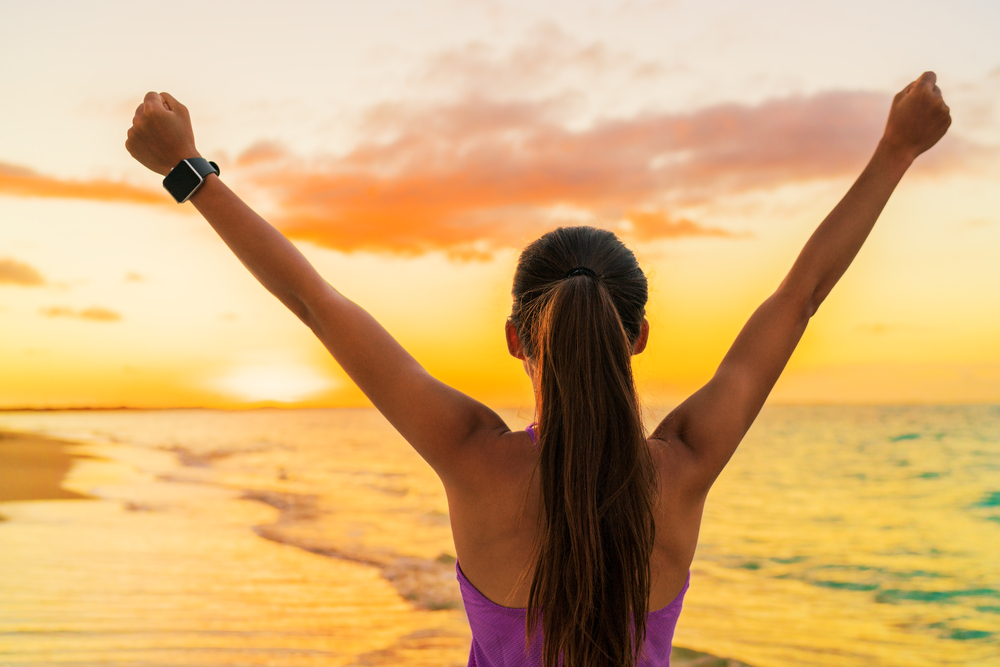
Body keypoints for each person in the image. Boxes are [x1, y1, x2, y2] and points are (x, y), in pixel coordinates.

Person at [125, 72, 951, 667]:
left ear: (519, 339)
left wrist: (187, 168)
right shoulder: (688, 463)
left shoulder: (470, 455)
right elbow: (799, 297)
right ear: (638, 336)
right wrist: (896, 148)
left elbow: (312, 299)